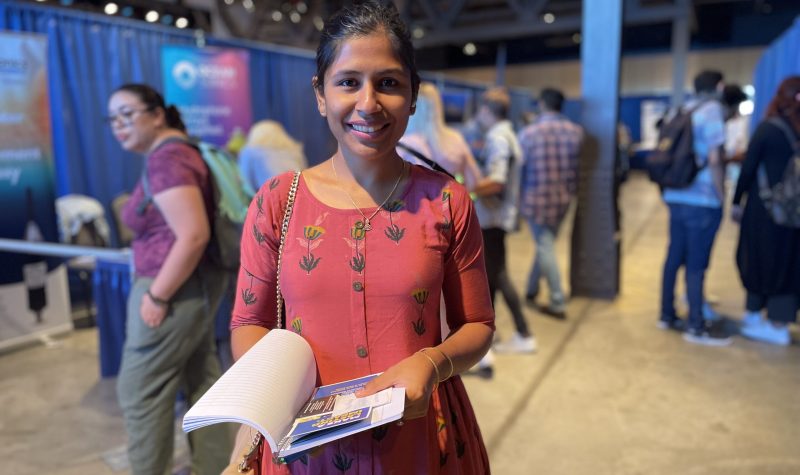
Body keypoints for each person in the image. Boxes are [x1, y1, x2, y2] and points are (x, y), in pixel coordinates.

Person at [230, 2, 493, 473]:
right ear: (320, 94)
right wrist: (273, 392)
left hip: (420, 438)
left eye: (388, 83)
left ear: (412, 98)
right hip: (304, 446)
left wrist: (432, 364)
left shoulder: (448, 201)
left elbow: (477, 324)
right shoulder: (276, 202)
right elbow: (249, 323)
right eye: (348, 82)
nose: (368, 103)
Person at [108, 84, 231, 475]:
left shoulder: (167, 160)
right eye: (112, 118)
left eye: (127, 113)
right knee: (203, 381)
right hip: (195, 287)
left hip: (173, 290)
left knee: (139, 391)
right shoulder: (184, 151)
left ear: (157, 114)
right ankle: (215, 467)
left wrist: (158, 296)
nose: (118, 124)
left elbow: (193, 234)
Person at [657, 70, 731, 346]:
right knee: (697, 263)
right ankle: (696, 326)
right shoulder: (712, 112)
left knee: (674, 256)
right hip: (701, 199)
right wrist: (721, 193)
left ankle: (666, 315)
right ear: (719, 86)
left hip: (676, 194)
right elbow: (714, 159)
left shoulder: (682, 109)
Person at [732, 76, 800, 346]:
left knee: (756, 257)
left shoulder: (768, 129)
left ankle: (758, 316)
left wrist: (736, 201)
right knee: (789, 262)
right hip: (795, 213)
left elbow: (748, 169)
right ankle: (779, 319)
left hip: (764, 209)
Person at [471, 86, 536, 353]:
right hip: (499, 215)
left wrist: (463, 190)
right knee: (493, 276)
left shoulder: (498, 138)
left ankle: (524, 333)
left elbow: (496, 182)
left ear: (486, 111)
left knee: (498, 274)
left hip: (493, 217)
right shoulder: (509, 135)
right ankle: (492, 334)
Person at [518, 87, 583, 320]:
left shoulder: (528, 133)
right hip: (564, 199)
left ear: (543, 104)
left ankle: (557, 301)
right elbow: (578, 171)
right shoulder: (576, 132)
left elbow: (520, 173)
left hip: (535, 200)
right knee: (545, 243)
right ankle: (531, 289)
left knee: (545, 245)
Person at [398, 82, 482, 190]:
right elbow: (473, 181)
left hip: (416, 205)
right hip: (449, 203)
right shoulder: (455, 138)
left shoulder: (404, 143)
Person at [237, 119, 308, 191]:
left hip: (270, 197)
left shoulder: (250, 152)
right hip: (298, 194)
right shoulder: (293, 150)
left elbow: (246, 182)